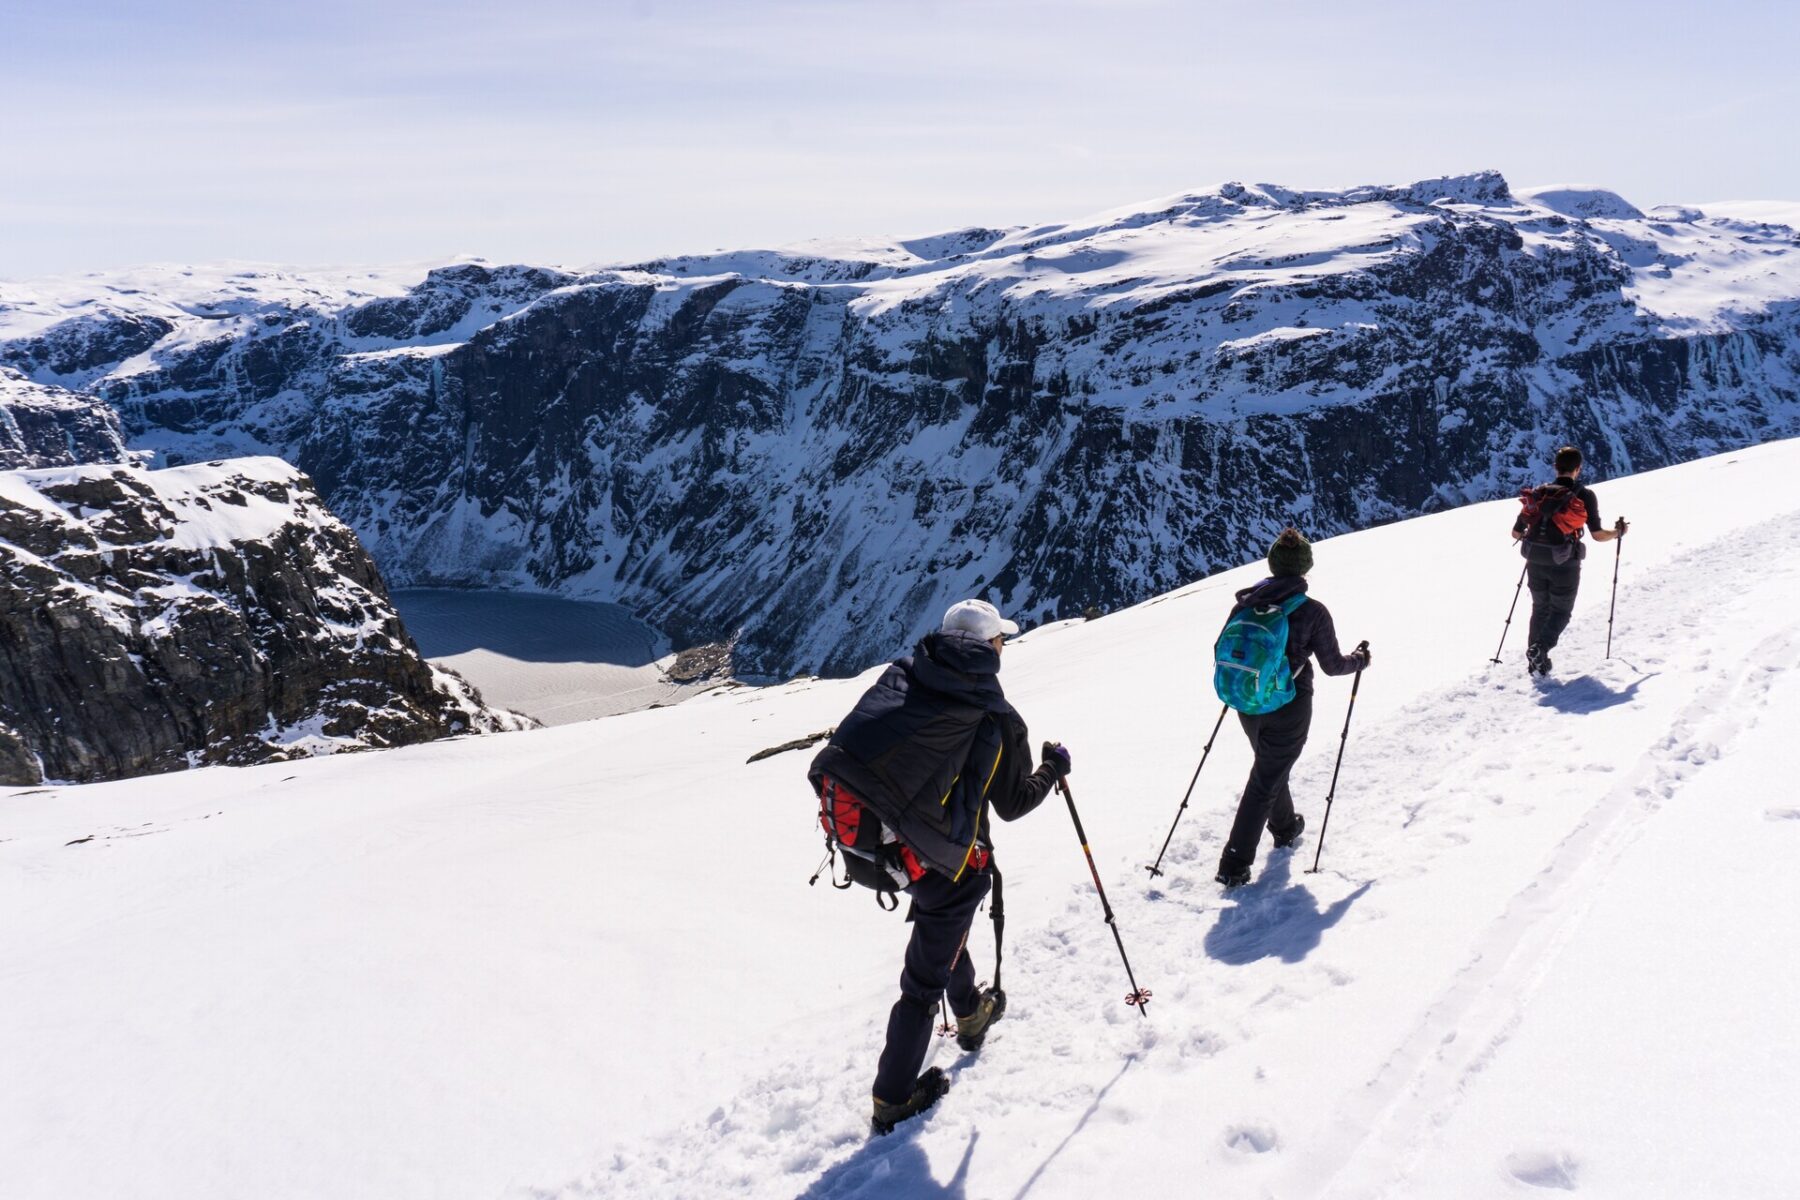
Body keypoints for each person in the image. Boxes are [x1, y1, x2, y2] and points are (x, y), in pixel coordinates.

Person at [809, 599, 1069, 1135]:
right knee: (921, 983)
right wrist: (1052, 768)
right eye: (1002, 641)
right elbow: (1014, 803)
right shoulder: (995, 719)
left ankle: (971, 1012)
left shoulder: (904, 678)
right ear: (991, 647)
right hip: (951, 862)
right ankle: (893, 1098)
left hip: (896, 845)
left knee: (942, 930)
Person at [1215, 529, 1369, 888]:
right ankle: (1234, 863)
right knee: (1266, 777)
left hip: (1247, 700)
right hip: (1289, 703)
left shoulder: (1245, 604)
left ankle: (1285, 827)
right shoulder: (1312, 611)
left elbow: (1223, 649)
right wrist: (1359, 661)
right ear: (1305, 569)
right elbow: (1333, 666)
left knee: (1270, 766)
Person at [1511, 445, 1628, 675]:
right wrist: (1618, 533)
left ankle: (1536, 662)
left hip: (1535, 560)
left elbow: (1516, 533)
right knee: (1561, 612)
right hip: (1565, 564)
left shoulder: (1540, 492)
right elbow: (1597, 535)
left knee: (1540, 608)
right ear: (1578, 469)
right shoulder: (1584, 495)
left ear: (1555, 467)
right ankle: (1540, 649)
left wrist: (1537, 537)